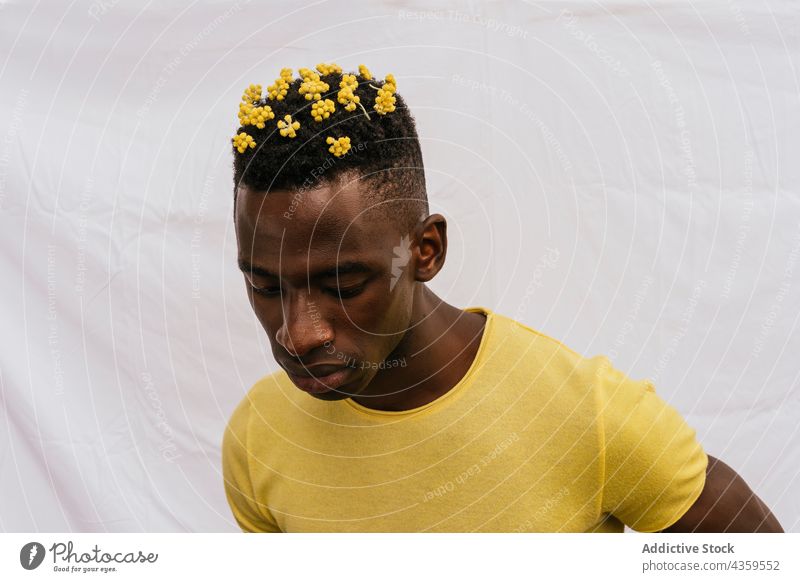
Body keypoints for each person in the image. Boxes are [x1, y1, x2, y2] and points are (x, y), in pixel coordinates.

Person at [222, 63, 783, 533]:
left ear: (426, 250)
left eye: (345, 286)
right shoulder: (258, 436)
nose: (298, 334)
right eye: (265, 286)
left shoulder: (588, 414)